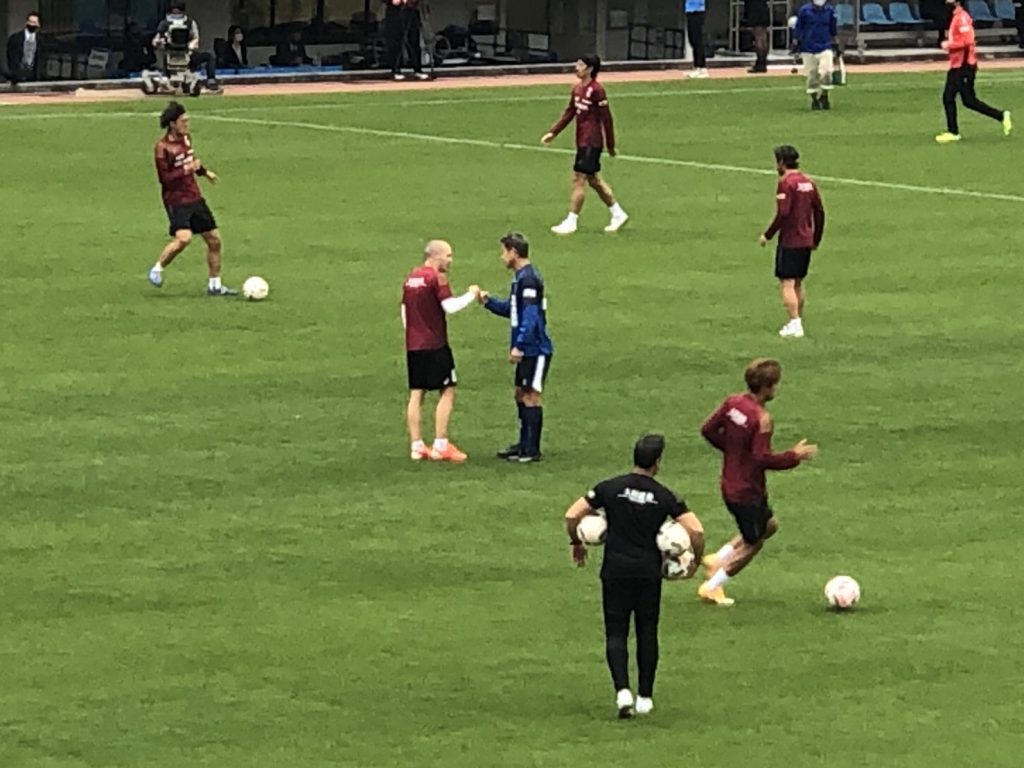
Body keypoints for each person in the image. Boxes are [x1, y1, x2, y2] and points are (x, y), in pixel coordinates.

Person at [564, 434, 706, 718]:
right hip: (647, 573)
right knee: (647, 632)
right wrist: (695, 561)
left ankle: (622, 693)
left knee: (616, 632)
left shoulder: (610, 487)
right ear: (657, 462)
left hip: (615, 570)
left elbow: (572, 515)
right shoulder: (664, 496)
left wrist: (577, 542)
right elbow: (696, 530)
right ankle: (645, 697)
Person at [697, 359, 818, 606]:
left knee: (769, 525)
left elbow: (707, 430)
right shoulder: (762, 419)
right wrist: (794, 456)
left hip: (730, 482)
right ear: (767, 387)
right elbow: (762, 458)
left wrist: (732, 452)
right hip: (747, 492)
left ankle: (718, 557)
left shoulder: (732, 403)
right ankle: (712, 586)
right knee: (754, 543)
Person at [401, 240, 479, 463]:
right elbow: (449, 307)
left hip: (413, 345)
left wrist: (412, 334)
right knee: (447, 389)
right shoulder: (437, 278)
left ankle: (417, 446)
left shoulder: (411, 278)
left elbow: (404, 310)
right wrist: (471, 294)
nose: (450, 260)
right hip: (434, 344)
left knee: (417, 393)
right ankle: (440, 445)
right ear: (436, 256)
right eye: (448, 255)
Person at [479, 233, 553, 463]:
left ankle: (532, 449)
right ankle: (523, 443)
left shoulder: (528, 279)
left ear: (513, 252)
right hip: (527, 347)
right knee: (520, 393)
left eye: (504, 251)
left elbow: (530, 316)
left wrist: (519, 345)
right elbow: (513, 310)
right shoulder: (520, 278)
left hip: (535, 349)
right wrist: (489, 302)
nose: (502, 257)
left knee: (531, 396)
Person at [150, 102, 236, 296]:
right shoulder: (162, 148)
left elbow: (191, 161)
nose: (186, 124)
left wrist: (204, 172)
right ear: (172, 124)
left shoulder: (187, 139)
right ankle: (157, 268)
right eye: (183, 121)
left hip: (194, 197)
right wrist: (185, 170)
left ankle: (215, 285)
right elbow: (165, 179)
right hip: (176, 200)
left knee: (214, 240)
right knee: (184, 238)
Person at [542, 54, 629, 235]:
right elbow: (569, 113)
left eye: (580, 65)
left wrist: (610, 145)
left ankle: (571, 220)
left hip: (591, 142)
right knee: (594, 180)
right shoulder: (577, 89)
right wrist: (553, 132)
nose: (576, 67)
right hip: (582, 141)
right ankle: (618, 213)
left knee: (578, 178)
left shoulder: (597, 90)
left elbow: (607, 119)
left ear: (590, 69)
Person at [758, 145, 825, 339]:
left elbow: (783, 213)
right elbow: (820, 212)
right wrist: (816, 238)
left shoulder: (786, 183)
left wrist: (768, 235)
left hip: (791, 240)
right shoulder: (809, 182)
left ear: (781, 162)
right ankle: (797, 320)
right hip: (806, 239)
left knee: (786, 282)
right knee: (798, 282)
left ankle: (795, 323)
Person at [935, 0, 1012, 144]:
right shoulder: (956, 17)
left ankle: (953, 132)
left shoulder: (961, 18)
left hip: (963, 66)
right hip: (959, 65)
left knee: (950, 97)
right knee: (967, 101)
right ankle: (1001, 116)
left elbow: (968, 41)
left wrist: (949, 45)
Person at [153, 3, 220, 92]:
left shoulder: (190, 22)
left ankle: (211, 80)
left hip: (188, 55)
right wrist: (159, 42)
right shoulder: (164, 24)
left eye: (178, 12)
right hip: (170, 55)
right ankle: (166, 78)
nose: (176, 15)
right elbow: (155, 40)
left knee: (209, 56)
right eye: (174, 12)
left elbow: (196, 38)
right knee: (166, 57)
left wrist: (191, 45)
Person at [793, 0, 838, 110]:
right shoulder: (804, 11)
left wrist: (836, 44)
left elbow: (833, 29)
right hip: (808, 47)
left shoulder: (829, 11)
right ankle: (814, 100)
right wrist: (796, 43)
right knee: (812, 75)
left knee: (827, 72)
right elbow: (799, 28)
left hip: (825, 46)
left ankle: (824, 95)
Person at [384, 0, 429, 81]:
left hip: (411, 11)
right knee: (395, 42)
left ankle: (417, 69)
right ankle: (396, 70)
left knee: (414, 41)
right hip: (394, 12)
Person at [5, 12, 42, 86]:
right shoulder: (15, 38)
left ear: (38, 24)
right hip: (17, 78)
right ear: (26, 22)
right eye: (30, 22)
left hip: (34, 79)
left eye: (34, 22)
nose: (31, 24)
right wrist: (13, 76)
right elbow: (11, 58)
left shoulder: (41, 40)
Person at [744, 0, 771, 73]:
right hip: (764, 9)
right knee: (763, 38)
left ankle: (760, 62)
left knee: (758, 38)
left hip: (755, 11)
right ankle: (763, 62)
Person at [685, 0, 709, 78]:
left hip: (697, 10)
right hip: (690, 9)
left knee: (697, 39)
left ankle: (701, 67)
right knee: (692, 39)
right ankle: (697, 67)